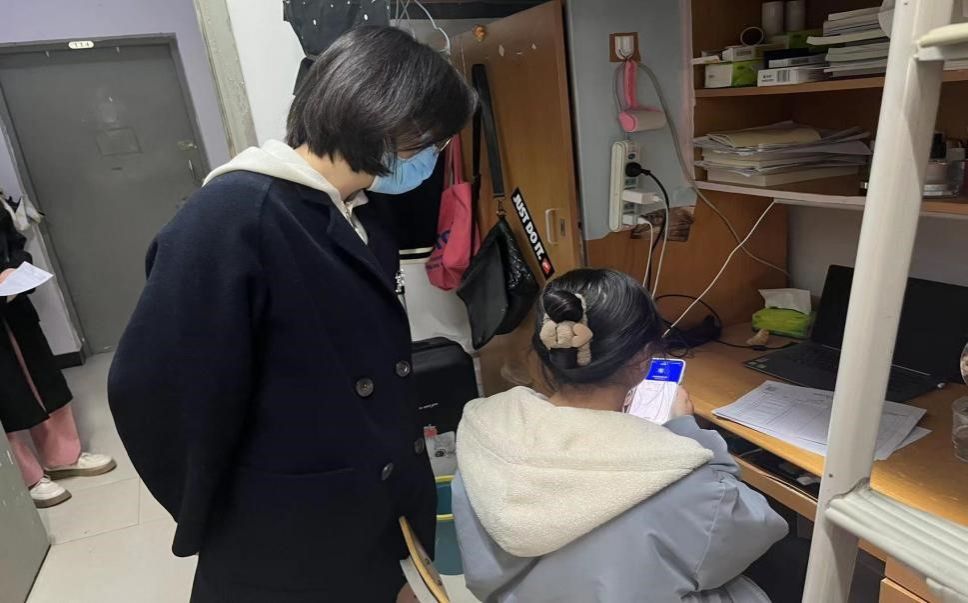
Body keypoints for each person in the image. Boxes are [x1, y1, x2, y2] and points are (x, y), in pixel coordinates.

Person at [107, 26, 475, 602]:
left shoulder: (360, 212)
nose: (435, 156)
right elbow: (153, 390)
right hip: (286, 532)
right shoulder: (233, 217)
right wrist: (227, 509)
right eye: (432, 140)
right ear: (385, 118)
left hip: (368, 510)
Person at [452, 269, 789, 602]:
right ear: (643, 359)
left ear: (548, 349)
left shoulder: (484, 434)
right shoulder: (678, 479)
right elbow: (753, 532)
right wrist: (689, 432)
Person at [0, 196, 115, 508]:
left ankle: (63, 457)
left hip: (13, 305)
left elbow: (13, 239)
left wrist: (14, 268)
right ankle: (27, 478)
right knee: (6, 398)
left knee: (44, 379)